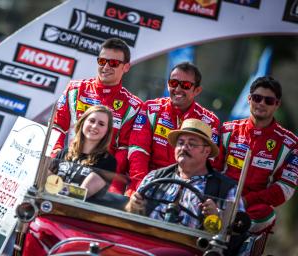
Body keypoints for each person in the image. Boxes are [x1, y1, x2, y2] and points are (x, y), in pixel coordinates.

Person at [52, 38, 142, 194]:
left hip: (104, 176)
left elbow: (124, 150)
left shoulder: (133, 105)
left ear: (126, 67)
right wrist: (56, 160)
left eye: (113, 63)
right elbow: (57, 128)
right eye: (102, 61)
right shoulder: (75, 89)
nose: (106, 67)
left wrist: (111, 182)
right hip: (67, 164)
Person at [126, 118, 244, 230]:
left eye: (192, 144)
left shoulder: (227, 189)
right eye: (180, 142)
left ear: (207, 151)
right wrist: (132, 206)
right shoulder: (154, 177)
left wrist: (216, 217)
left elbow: (234, 234)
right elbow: (131, 218)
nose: (184, 147)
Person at [218, 76, 298, 235]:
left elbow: (285, 189)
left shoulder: (290, 144)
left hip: (252, 209)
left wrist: (246, 201)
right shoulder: (227, 130)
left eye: (268, 101)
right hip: (219, 200)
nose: (261, 103)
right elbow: (211, 168)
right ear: (249, 99)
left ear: (277, 104)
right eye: (257, 98)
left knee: (266, 214)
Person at [126, 62, 220, 196]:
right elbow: (138, 151)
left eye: (186, 85)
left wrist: (182, 193)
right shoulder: (151, 109)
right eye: (173, 83)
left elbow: (206, 164)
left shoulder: (210, 121)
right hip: (146, 184)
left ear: (197, 90)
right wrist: (141, 186)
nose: (178, 89)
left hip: (185, 191)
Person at [51, 105, 117, 199]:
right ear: (83, 122)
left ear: (107, 131)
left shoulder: (108, 162)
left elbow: (80, 194)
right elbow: (43, 182)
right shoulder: (64, 152)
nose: (94, 126)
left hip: (73, 213)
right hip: (48, 208)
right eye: (92, 121)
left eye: (101, 124)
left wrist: (51, 187)